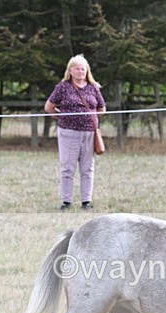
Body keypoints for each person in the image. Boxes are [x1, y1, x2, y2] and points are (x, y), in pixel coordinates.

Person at [45, 55, 106, 211]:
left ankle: (86, 201)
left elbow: (101, 108)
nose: (81, 72)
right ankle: (66, 201)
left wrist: (91, 119)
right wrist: (63, 118)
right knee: (67, 168)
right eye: (77, 68)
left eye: (83, 69)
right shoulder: (63, 87)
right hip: (68, 133)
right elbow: (49, 108)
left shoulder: (93, 87)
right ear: (70, 70)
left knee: (87, 168)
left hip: (89, 133)